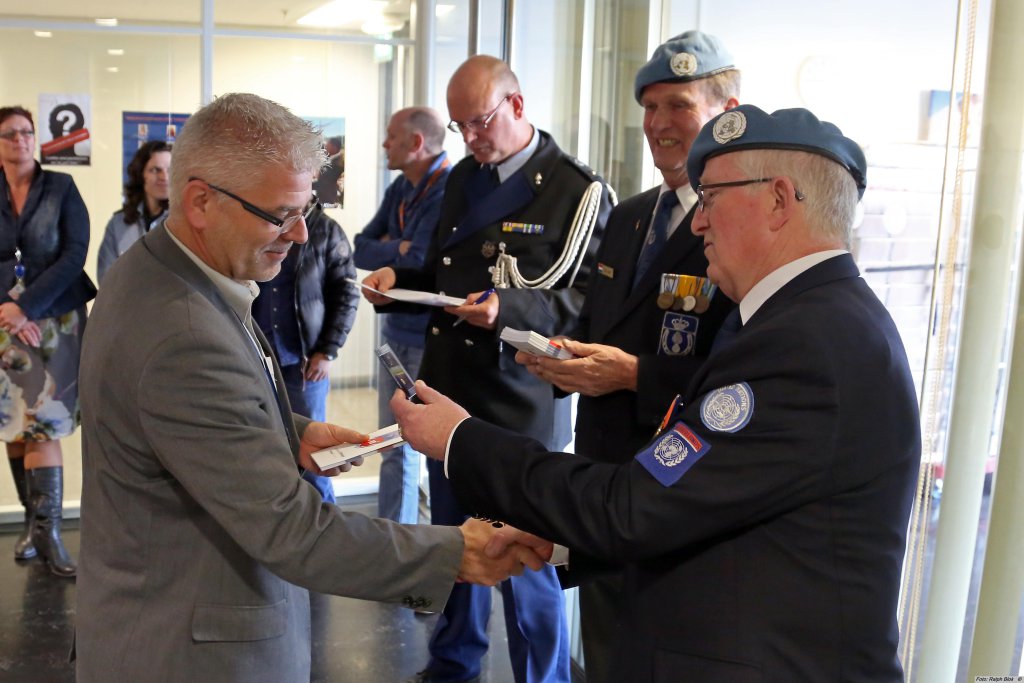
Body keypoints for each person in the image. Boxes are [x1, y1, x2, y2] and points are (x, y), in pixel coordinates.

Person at [393, 105, 921, 682]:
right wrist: (560, 539)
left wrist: (461, 439)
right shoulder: (800, 322)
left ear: (778, 200)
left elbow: (636, 507)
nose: (698, 223)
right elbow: (708, 501)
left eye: (712, 197)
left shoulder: (806, 343)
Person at [74, 92, 543, 683]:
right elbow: (292, 530)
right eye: (279, 214)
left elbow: (181, 417)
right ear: (200, 202)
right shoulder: (183, 331)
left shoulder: (162, 270)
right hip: (191, 653)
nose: (299, 234)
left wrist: (285, 431)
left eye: (306, 210)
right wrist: (456, 552)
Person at [362, 56, 613, 683]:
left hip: (516, 399)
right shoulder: (463, 179)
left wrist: (509, 310)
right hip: (452, 388)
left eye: (479, 122)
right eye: (460, 126)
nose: (470, 138)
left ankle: (542, 677)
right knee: (455, 542)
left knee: (525, 556)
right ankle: (455, 661)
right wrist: (399, 284)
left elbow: (588, 302)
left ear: (517, 106)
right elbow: (446, 274)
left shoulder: (576, 190)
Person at [512, 30, 739, 681]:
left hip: (679, 494)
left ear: (727, 111)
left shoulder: (737, 227)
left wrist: (637, 375)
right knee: (606, 648)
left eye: (679, 105)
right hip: (603, 483)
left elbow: (744, 378)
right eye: (650, 107)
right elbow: (599, 323)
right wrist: (562, 359)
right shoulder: (629, 215)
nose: (660, 124)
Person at [0, 105, 96, 578]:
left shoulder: (60, 187)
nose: (20, 140)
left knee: (44, 422)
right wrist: (7, 308)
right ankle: (31, 526)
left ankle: (50, 534)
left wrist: (28, 308)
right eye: (10, 134)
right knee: (13, 423)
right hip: (3, 318)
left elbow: (74, 253)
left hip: (55, 317)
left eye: (27, 132)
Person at [353, 106, 450, 525]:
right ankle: (394, 537)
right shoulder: (401, 187)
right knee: (392, 443)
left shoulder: (449, 188)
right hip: (395, 333)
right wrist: (400, 247)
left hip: (432, 341)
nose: (384, 144)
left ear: (416, 143)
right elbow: (360, 246)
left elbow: (424, 261)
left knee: (433, 450)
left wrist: (398, 249)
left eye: (391, 136)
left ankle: (431, 543)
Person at [253, 202, 359, 504]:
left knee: (316, 456)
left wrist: (327, 351)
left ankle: (326, 520)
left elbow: (347, 293)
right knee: (266, 446)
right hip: (257, 357)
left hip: (304, 363)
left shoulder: (326, 230)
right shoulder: (258, 222)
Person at [97, 140, 172, 282]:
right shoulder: (118, 224)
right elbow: (106, 280)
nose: (164, 177)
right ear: (140, 174)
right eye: (155, 170)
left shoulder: (186, 223)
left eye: (170, 170)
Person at [313, 135, 344, 206]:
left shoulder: (336, 164)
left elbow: (324, 183)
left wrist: (307, 186)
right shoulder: (331, 159)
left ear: (334, 147)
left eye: (327, 146)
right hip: (324, 198)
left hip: (327, 200)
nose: (325, 147)